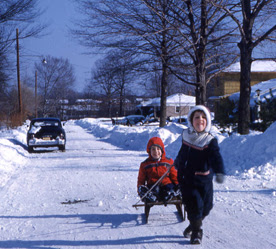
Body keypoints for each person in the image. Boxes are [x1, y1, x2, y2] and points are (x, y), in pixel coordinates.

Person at [174, 105, 225, 245]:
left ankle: (193, 224)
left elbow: (216, 157)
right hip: (188, 179)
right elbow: (183, 152)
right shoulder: (186, 136)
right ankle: (197, 232)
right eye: (197, 117)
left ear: (207, 121)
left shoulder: (209, 140)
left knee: (207, 207)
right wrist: (177, 162)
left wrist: (219, 170)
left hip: (205, 179)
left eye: (203, 117)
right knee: (194, 205)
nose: (200, 120)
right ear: (191, 120)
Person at [137, 137, 180, 203]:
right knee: (153, 190)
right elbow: (141, 179)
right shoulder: (145, 164)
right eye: (153, 149)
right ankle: (151, 196)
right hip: (152, 186)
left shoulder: (168, 162)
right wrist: (140, 189)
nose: (156, 152)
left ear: (162, 150)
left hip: (167, 184)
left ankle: (169, 194)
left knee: (169, 188)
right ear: (149, 151)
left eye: (158, 149)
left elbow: (174, 175)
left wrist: (178, 184)